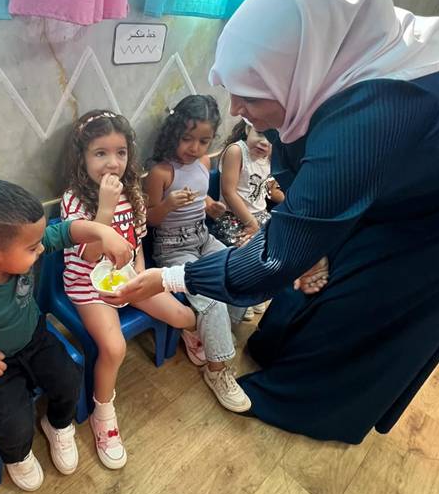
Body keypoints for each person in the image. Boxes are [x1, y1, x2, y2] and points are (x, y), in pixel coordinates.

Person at [103, 0, 439, 444]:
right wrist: (312, 246)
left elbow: (276, 258)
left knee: (356, 307)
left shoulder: (374, 112)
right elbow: (302, 172)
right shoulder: (329, 68)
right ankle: (276, 346)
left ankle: (307, 401)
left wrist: (171, 278)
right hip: (385, 183)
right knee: (310, 276)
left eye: (250, 97)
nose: (236, 109)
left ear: (297, 77)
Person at [0, 177, 132, 491]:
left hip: (33, 337)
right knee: (13, 420)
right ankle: (17, 456)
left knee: (69, 378)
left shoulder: (25, 246)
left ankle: (57, 424)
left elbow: (66, 231)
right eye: (33, 248)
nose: (42, 248)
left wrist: (103, 231)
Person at [61, 110, 197, 469]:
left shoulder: (133, 192)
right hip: (88, 287)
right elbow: (89, 256)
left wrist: (138, 277)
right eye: (100, 153)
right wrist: (104, 211)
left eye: (120, 152)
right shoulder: (74, 200)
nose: (112, 162)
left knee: (183, 314)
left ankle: (195, 339)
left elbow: (136, 242)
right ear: (82, 157)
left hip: (127, 278)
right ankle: (102, 414)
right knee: (115, 347)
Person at [143, 95, 252, 414]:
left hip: (201, 236)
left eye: (203, 141)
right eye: (187, 138)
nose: (194, 148)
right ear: (174, 132)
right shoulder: (161, 172)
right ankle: (217, 371)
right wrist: (168, 204)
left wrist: (210, 206)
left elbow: (199, 197)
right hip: (173, 247)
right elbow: (149, 219)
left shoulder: (204, 162)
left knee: (240, 267)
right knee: (210, 297)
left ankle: (217, 333)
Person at [213, 118, 285, 317]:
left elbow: (269, 190)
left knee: (277, 246)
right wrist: (250, 223)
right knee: (247, 252)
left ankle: (254, 295)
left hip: (260, 217)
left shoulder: (270, 158)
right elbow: (228, 192)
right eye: (260, 133)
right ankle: (240, 300)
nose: (264, 142)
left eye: (271, 138)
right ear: (247, 128)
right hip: (233, 217)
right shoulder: (237, 151)